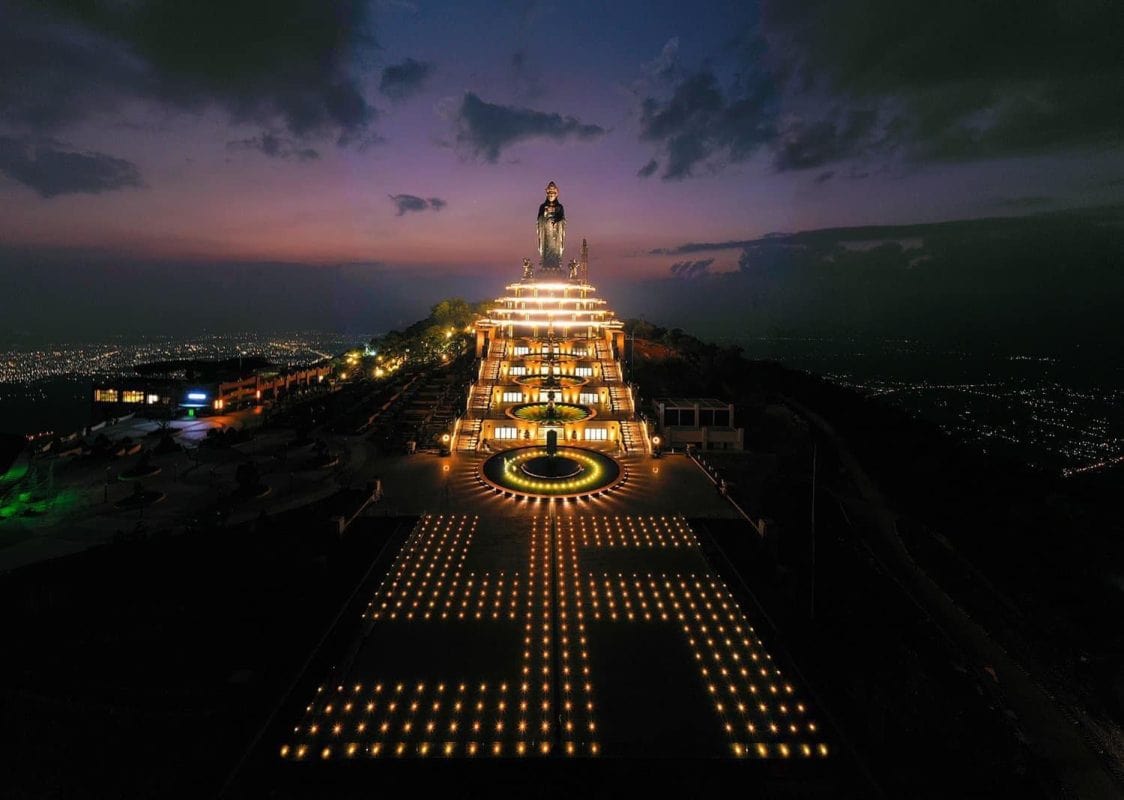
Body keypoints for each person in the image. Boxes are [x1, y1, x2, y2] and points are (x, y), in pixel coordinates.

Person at [537, 181, 565, 270]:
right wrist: (545, 216)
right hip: (546, 233)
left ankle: (556, 263)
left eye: (553, 193)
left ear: (556, 194)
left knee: (555, 249)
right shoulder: (542, 206)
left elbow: (563, 220)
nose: (551, 195)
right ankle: (545, 263)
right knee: (546, 248)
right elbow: (539, 220)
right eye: (549, 193)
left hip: (556, 233)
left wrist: (556, 221)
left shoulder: (560, 207)